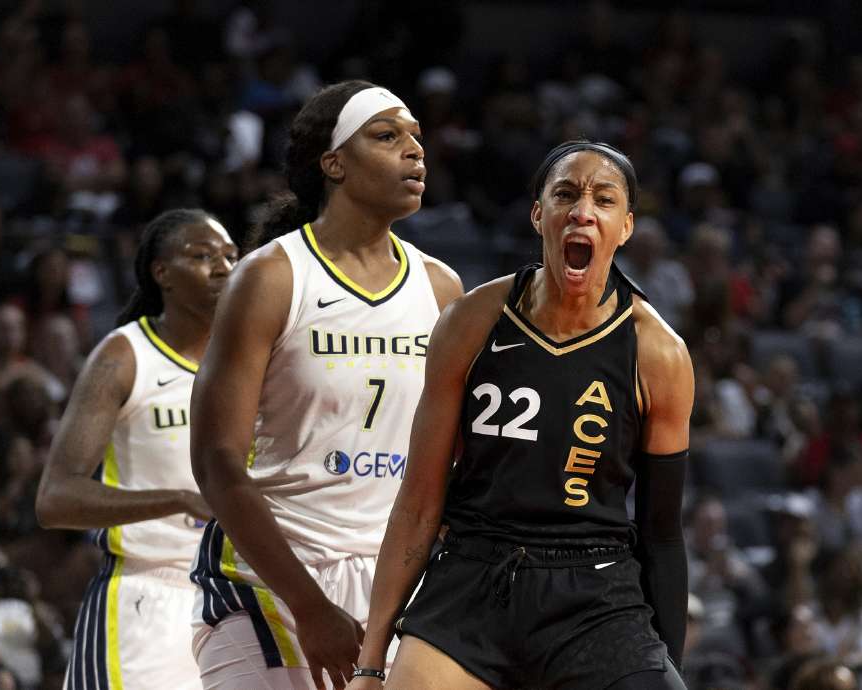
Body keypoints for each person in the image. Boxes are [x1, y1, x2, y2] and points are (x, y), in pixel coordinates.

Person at [347, 140, 693, 689]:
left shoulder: (657, 353)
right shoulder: (471, 321)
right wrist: (370, 664)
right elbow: (417, 504)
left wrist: (668, 665)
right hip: (473, 580)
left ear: (625, 227)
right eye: (566, 194)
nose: (582, 211)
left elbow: (662, 532)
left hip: (594, 594)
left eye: (604, 200)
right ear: (538, 215)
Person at [187, 81, 462, 689]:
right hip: (268, 578)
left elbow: (451, 460)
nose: (414, 150)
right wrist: (309, 607)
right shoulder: (271, 277)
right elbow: (216, 460)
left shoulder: (441, 289)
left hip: (393, 580)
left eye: (416, 137)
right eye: (387, 136)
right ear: (333, 164)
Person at [34, 209, 296, 689]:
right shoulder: (124, 355)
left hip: (239, 598)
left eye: (230, 256)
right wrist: (178, 499)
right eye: (201, 256)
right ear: (162, 273)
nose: (223, 268)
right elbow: (56, 499)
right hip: (147, 596)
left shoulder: (259, 360)